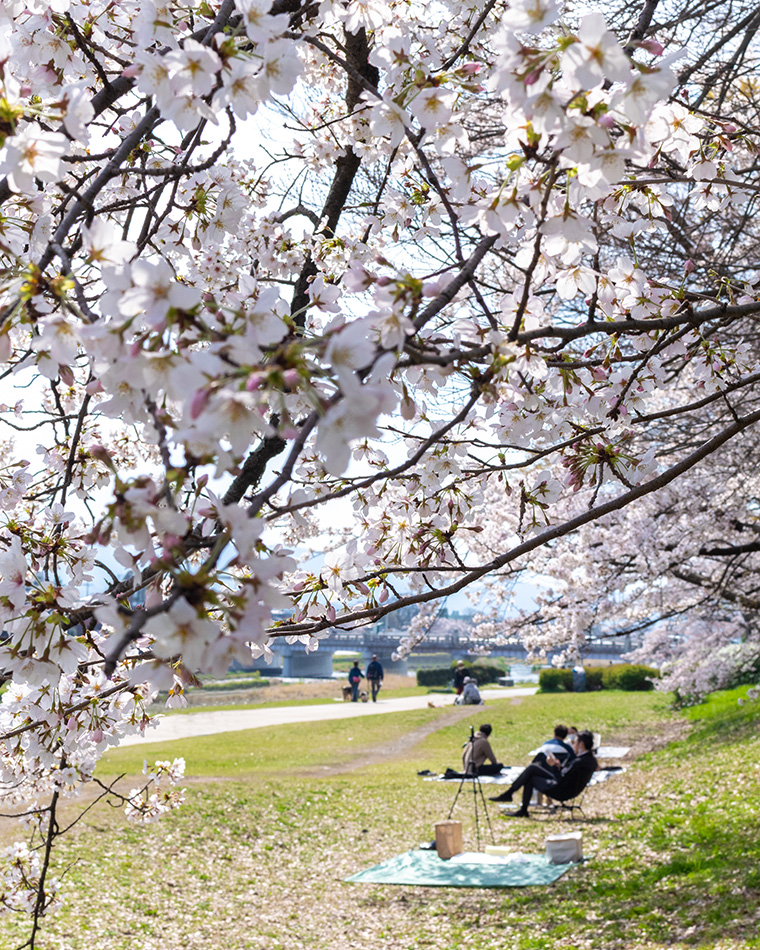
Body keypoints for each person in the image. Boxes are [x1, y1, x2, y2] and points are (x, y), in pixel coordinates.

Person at [489, 730, 598, 816]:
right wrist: (559, 766)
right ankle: (511, 797)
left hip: (561, 791)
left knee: (531, 773)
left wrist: (553, 766)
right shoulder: (590, 760)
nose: (573, 745)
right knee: (532, 769)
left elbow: (560, 778)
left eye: (575, 743)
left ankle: (515, 800)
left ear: (581, 744)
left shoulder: (579, 762)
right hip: (569, 789)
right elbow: (566, 776)